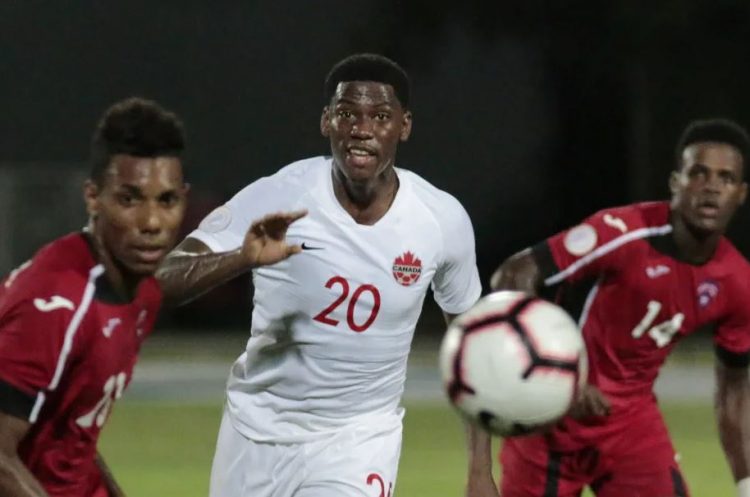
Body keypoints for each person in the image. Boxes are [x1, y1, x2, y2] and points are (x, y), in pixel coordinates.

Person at [156, 53, 482, 497]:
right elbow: (161, 280)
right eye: (347, 113)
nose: (362, 129)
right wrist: (240, 259)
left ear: (404, 126)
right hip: (256, 432)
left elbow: (474, 346)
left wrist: (480, 470)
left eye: (380, 117)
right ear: (326, 121)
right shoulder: (279, 196)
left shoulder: (441, 220)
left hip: (359, 440)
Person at [481, 118, 750, 497]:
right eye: (699, 173)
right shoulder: (623, 233)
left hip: (629, 425)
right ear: (676, 183)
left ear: (740, 193)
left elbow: (735, 390)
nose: (711, 188)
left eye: (725, 178)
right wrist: (561, 374)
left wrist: (746, 482)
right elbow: (514, 275)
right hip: (551, 423)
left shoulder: (738, 282)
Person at [0, 97, 190, 497]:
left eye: (166, 200)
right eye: (129, 199)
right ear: (92, 198)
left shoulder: (140, 293)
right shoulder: (58, 304)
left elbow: (74, 432)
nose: (151, 222)